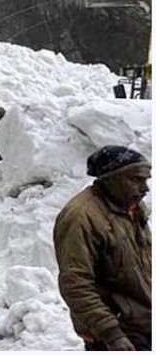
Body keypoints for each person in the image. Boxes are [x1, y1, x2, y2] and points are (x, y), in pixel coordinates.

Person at [54, 146, 151, 351]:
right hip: (118, 332)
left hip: (143, 321)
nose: (145, 188)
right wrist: (111, 334)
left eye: (146, 180)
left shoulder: (132, 207)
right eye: (136, 179)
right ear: (110, 178)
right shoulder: (81, 218)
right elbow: (76, 283)